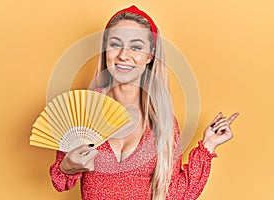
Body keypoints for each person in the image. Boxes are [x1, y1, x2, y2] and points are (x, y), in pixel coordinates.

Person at [49, 5, 239, 200]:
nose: (123, 55)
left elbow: (174, 194)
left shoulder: (162, 121)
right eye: (115, 44)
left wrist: (208, 146)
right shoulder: (82, 112)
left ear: (150, 55)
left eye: (136, 47)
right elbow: (61, 182)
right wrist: (66, 167)